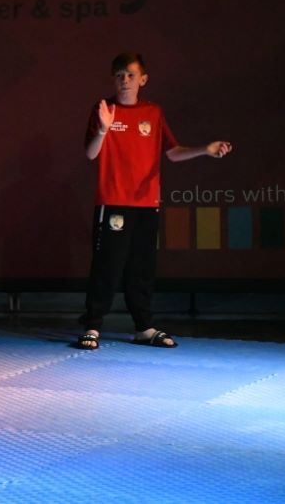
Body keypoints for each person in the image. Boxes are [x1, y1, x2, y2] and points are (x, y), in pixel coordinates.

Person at [78, 53, 232, 350]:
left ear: (143, 79)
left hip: (147, 204)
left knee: (142, 267)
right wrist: (103, 128)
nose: (125, 80)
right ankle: (93, 326)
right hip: (113, 202)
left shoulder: (153, 112)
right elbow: (91, 153)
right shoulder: (104, 109)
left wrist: (205, 149)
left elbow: (173, 153)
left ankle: (144, 327)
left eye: (131, 75)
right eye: (119, 75)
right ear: (113, 79)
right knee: (108, 265)